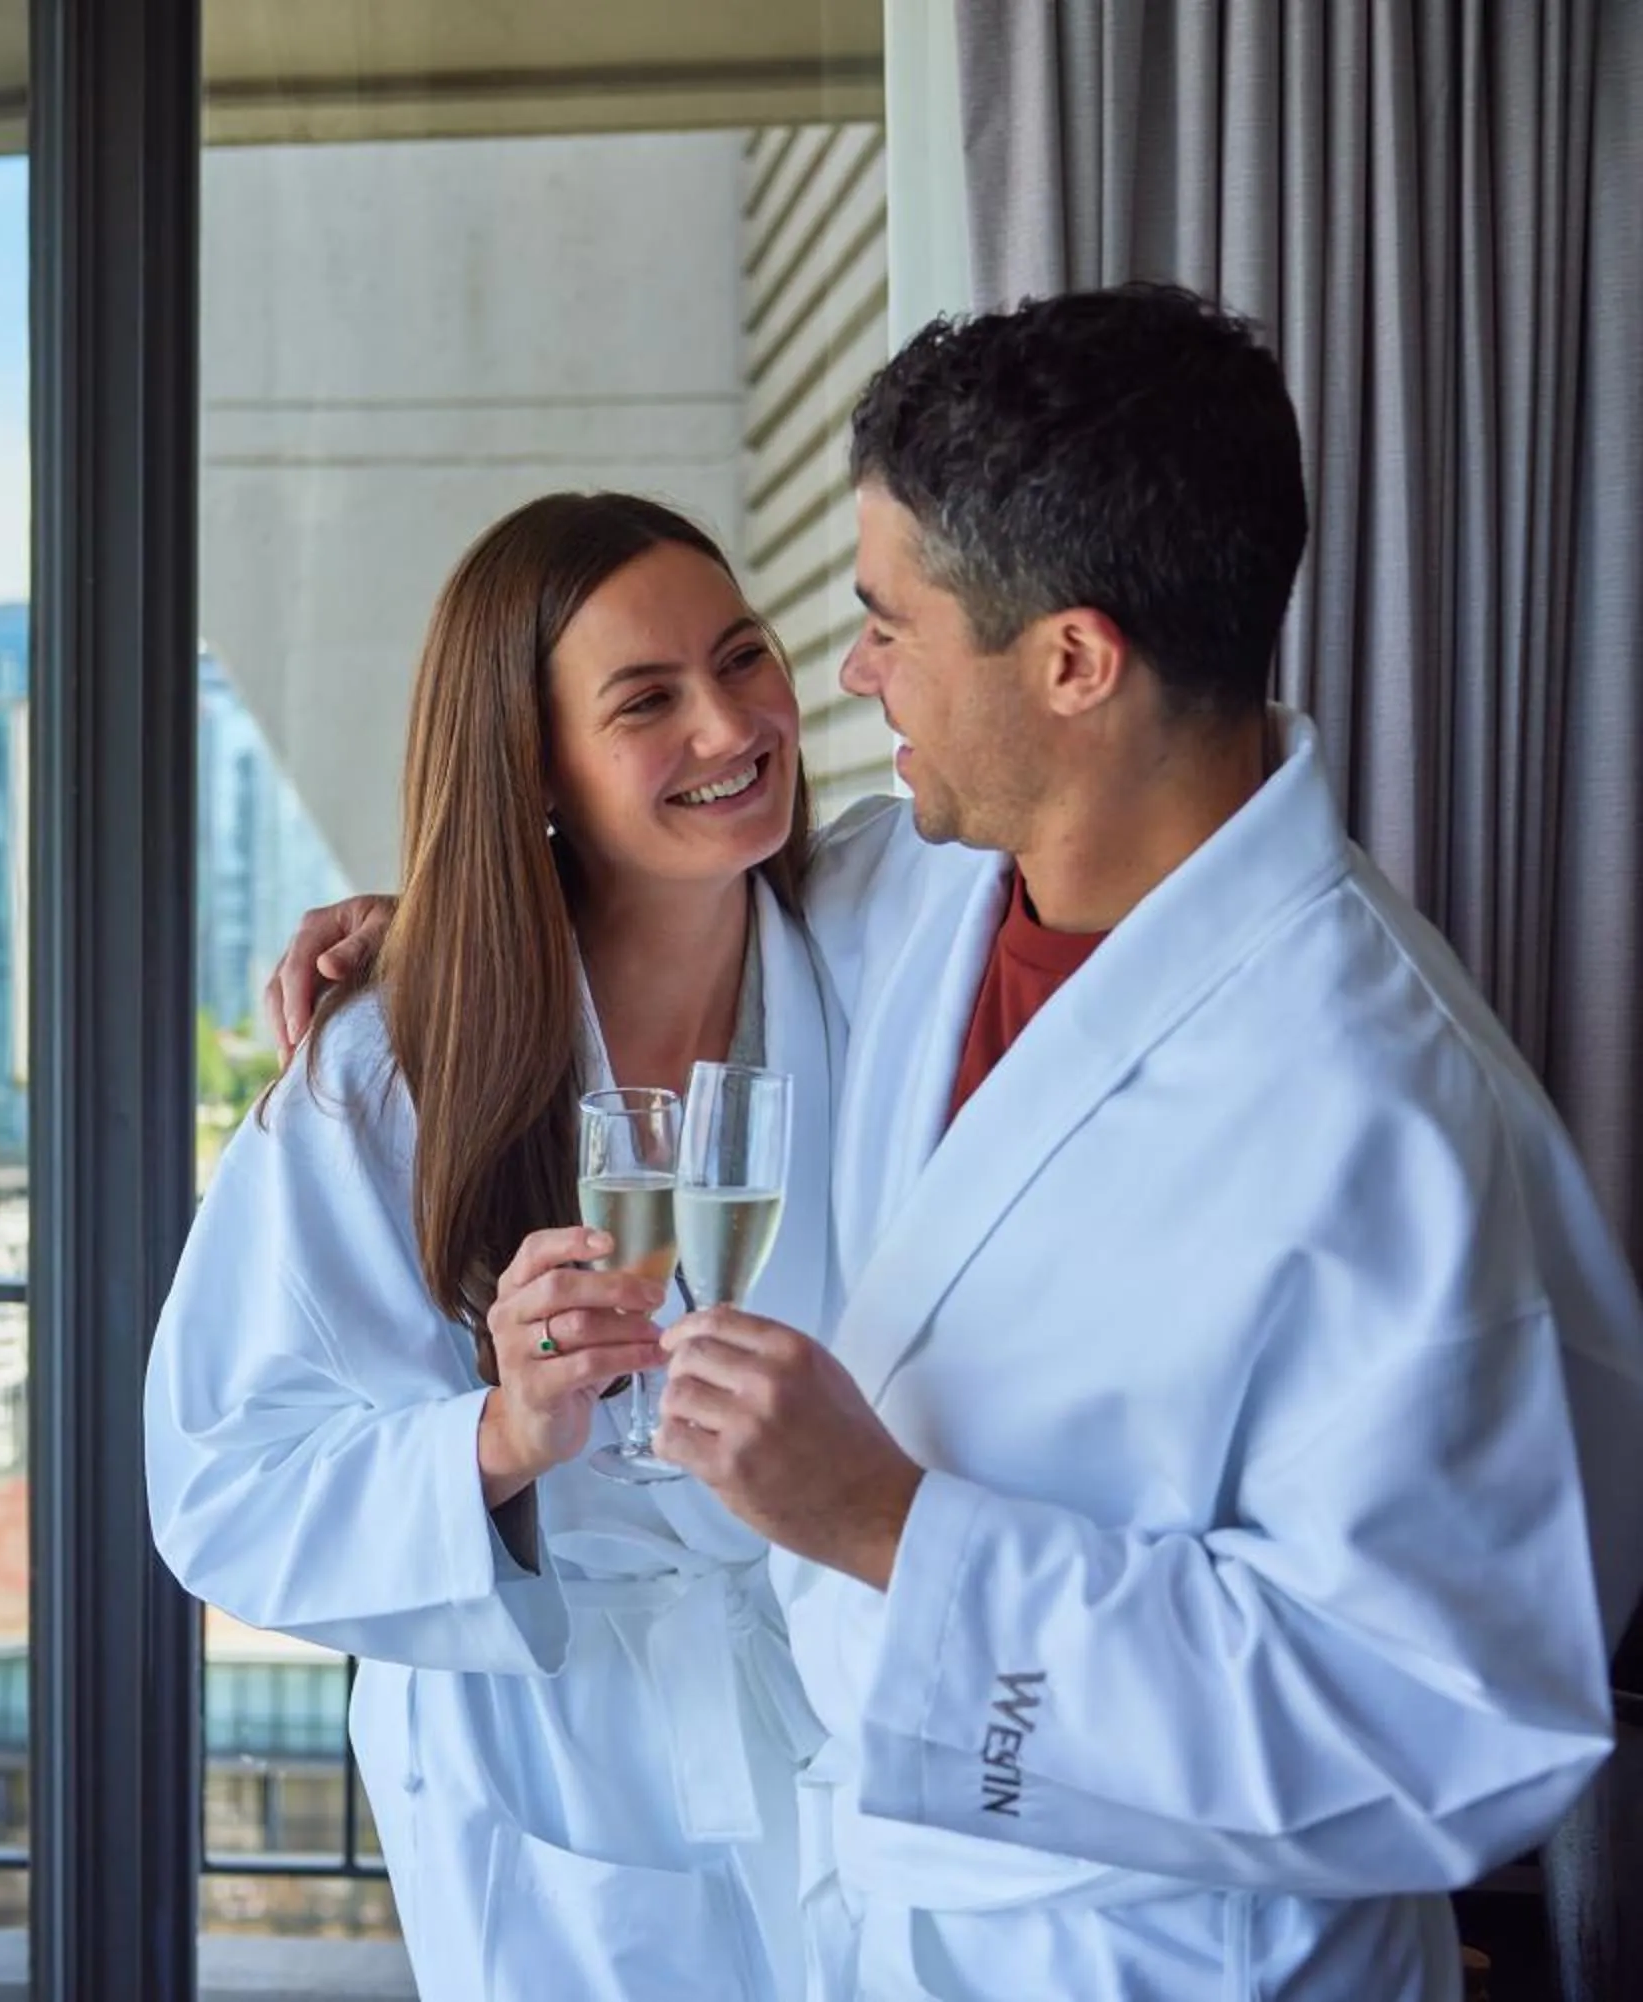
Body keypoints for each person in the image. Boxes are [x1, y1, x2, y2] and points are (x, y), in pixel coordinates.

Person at [263, 283, 1643, 2001]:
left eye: (883, 621)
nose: (843, 676)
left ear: (1072, 660)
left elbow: (1450, 1728)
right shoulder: (912, 898)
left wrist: (899, 1531)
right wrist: (449, 926)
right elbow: (661, 903)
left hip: (1173, 1961)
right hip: (867, 1922)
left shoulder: (1390, 1121)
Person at [146, 493, 837, 1997]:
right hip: (551, 1748)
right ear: (538, 766)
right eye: (646, 700)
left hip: (824, 1692)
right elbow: (218, 1483)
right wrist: (499, 1439)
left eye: (744, 658)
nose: (731, 724)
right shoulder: (386, 1068)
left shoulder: (872, 938)